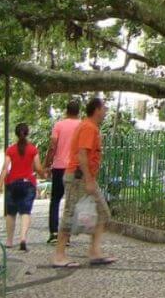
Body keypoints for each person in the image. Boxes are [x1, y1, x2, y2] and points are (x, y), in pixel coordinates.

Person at [51, 97, 115, 268]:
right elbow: (81, 154)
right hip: (78, 177)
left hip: (85, 177)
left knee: (102, 212)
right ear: (97, 109)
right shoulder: (88, 127)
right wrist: (88, 179)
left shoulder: (91, 127)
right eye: (104, 108)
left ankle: (94, 252)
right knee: (69, 214)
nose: (106, 112)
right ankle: (59, 255)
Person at [0, 123, 46, 251]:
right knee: (25, 212)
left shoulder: (10, 150)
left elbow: (5, 168)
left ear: (16, 133)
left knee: (11, 213)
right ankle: (23, 238)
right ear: (27, 133)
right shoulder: (33, 149)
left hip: (12, 183)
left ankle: (8, 241)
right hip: (28, 183)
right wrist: (43, 174)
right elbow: (38, 167)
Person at [46, 98, 82, 245]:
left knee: (55, 200)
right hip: (74, 168)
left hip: (59, 167)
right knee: (70, 202)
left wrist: (46, 163)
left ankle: (54, 233)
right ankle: (66, 235)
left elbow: (53, 145)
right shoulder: (81, 126)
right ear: (78, 112)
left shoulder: (59, 125)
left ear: (66, 111)